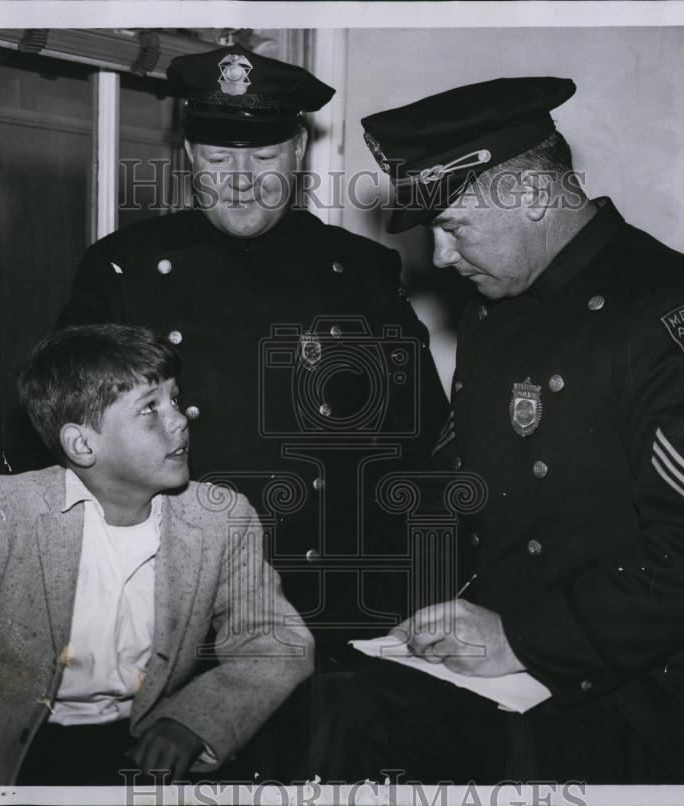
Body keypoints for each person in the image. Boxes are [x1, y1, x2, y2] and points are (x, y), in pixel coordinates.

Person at [315, 77, 684, 784]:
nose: (438, 257)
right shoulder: (494, 308)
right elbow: (483, 499)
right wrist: (437, 616)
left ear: (530, 196)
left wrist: (523, 638)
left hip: (645, 717)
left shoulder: (678, 317)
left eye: (452, 226)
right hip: (518, 699)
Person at [57, 45, 449, 778]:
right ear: (187, 154)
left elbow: (422, 447)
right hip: (172, 616)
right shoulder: (123, 270)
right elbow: (71, 455)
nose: (240, 181)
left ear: (299, 151)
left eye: (265, 155)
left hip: (334, 612)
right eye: (215, 156)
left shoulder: (361, 273)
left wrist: (416, 610)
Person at [0, 324, 312, 785]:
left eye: (174, 399)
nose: (179, 419)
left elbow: (276, 642)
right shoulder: (2, 516)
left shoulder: (219, 520)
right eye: (149, 408)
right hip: (19, 761)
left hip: (145, 751)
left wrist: (197, 719)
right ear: (82, 444)